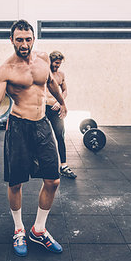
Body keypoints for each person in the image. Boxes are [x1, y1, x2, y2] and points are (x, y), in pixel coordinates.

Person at [0, 19, 67, 257]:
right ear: (11, 40)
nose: (24, 44)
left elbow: (51, 83)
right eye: (19, 40)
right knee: (15, 183)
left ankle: (38, 229)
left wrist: (63, 102)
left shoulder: (44, 59)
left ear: (33, 39)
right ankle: (19, 229)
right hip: (18, 126)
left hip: (42, 124)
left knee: (53, 180)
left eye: (28, 39)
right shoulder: (5, 70)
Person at [45, 51, 77, 179]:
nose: (57, 66)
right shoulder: (44, 74)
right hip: (42, 109)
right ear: (51, 61)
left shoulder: (61, 75)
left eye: (59, 64)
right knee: (43, 138)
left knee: (60, 136)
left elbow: (64, 91)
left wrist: (60, 102)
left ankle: (63, 165)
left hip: (55, 109)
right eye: (56, 63)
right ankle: (44, 165)